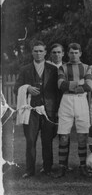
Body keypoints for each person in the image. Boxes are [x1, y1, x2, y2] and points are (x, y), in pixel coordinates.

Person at [14, 41, 61, 178]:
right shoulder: (25, 69)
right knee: (30, 141)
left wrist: (56, 110)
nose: (38, 53)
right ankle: (29, 170)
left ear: (46, 52)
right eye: (36, 51)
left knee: (47, 141)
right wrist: (26, 88)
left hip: (48, 111)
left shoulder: (53, 69)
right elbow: (16, 88)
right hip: (30, 111)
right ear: (32, 52)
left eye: (41, 51)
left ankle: (47, 169)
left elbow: (58, 92)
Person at [55, 43, 92, 178]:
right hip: (66, 101)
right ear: (68, 54)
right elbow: (61, 85)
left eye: (76, 52)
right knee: (64, 136)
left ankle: (82, 166)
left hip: (81, 100)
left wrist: (71, 85)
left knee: (82, 136)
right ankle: (62, 167)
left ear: (81, 53)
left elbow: (89, 86)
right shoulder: (62, 67)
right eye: (71, 53)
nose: (74, 55)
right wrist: (79, 83)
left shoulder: (87, 67)